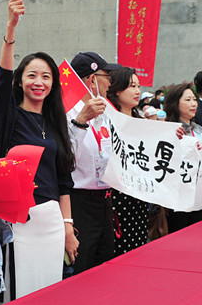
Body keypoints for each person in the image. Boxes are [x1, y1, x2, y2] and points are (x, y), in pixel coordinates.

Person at [0, 0, 77, 299]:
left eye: (46, 76)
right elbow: (0, 85)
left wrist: (67, 226)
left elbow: (63, 180)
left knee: (49, 290)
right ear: (20, 81)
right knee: (19, 290)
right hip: (18, 221)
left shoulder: (56, 124)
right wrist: (11, 29)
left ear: (53, 83)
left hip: (52, 220)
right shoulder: (9, 118)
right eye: (31, 75)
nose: (38, 82)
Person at [66, 52, 118, 274]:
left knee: (104, 264)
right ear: (91, 79)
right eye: (106, 76)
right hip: (80, 202)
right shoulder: (67, 112)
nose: (110, 82)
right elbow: (65, 159)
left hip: (105, 200)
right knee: (82, 265)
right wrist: (80, 122)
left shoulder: (107, 112)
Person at [105, 67, 151, 254]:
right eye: (132, 86)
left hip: (140, 196)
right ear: (117, 89)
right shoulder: (107, 121)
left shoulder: (142, 122)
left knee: (139, 247)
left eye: (139, 86)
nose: (137, 91)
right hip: (117, 198)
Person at [163, 83, 202, 232]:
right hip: (177, 198)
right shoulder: (168, 131)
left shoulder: (198, 130)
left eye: (194, 99)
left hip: (196, 196)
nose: (193, 104)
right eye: (188, 100)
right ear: (175, 103)